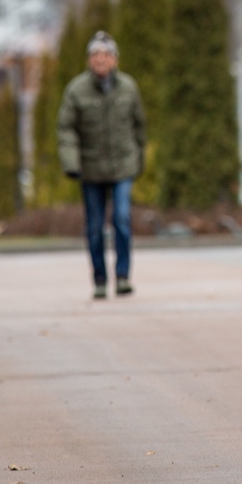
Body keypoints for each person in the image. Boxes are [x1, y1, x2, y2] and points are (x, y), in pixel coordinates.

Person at [58, 30, 146, 300]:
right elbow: (66, 130)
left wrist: (139, 160)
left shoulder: (129, 88)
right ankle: (99, 279)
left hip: (122, 166)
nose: (101, 59)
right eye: (95, 54)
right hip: (90, 168)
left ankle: (122, 277)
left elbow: (139, 126)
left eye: (106, 54)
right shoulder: (76, 90)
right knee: (95, 227)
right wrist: (72, 163)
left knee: (121, 218)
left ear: (115, 60)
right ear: (88, 60)